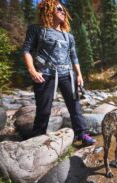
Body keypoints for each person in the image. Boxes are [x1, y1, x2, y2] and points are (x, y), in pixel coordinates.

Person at [22, 0, 96, 145]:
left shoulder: (68, 36)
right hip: (45, 74)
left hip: (67, 74)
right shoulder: (37, 29)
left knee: (75, 107)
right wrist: (32, 71)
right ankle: (37, 139)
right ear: (49, 11)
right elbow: (26, 50)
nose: (63, 12)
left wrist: (79, 75)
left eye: (64, 10)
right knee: (44, 110)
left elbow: (74, 56)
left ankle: (82, 134)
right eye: (59, 9)